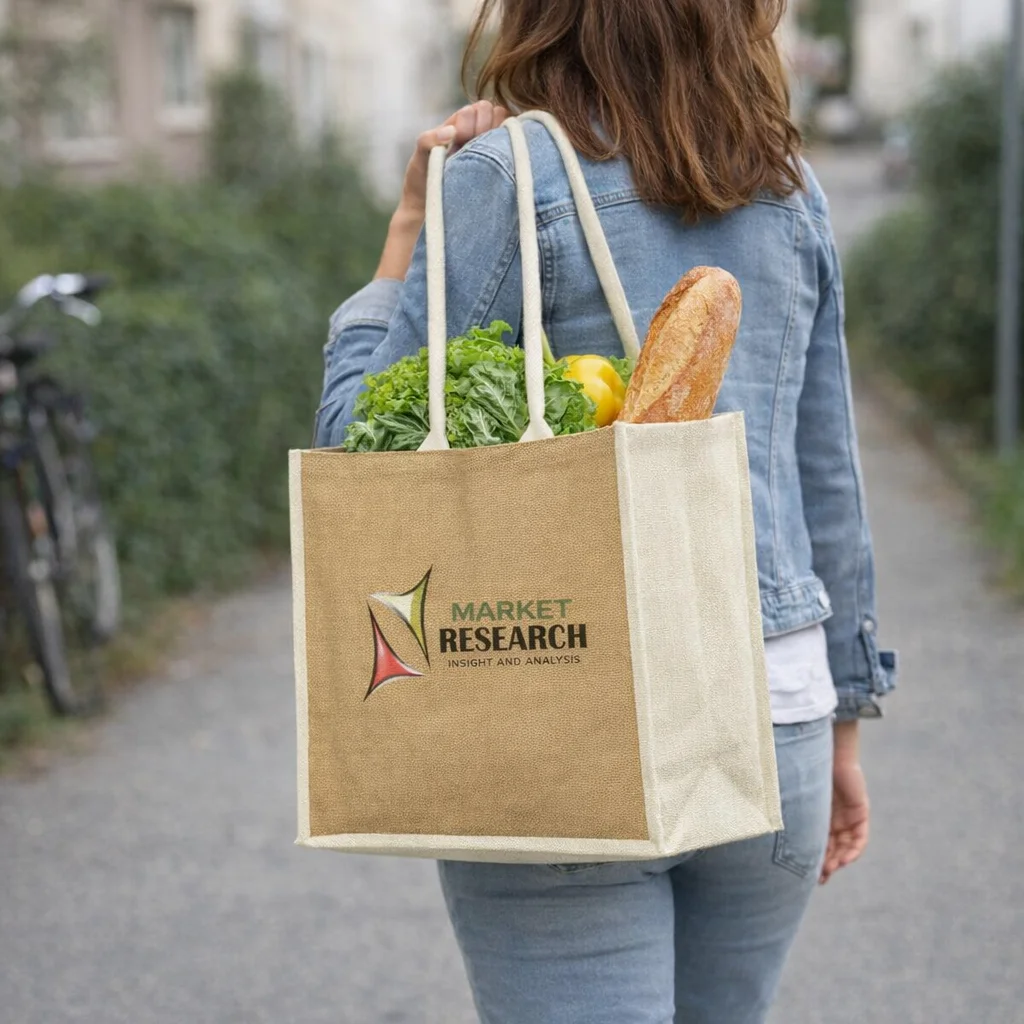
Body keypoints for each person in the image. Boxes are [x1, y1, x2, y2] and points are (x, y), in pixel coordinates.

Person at [314, 1, 897, 1020]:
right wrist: (843, 722)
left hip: (553, 706)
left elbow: (371, 449)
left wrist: (406, 230)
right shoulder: (786, 186)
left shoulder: (501, 176)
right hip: (775, 716)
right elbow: (827, 479)